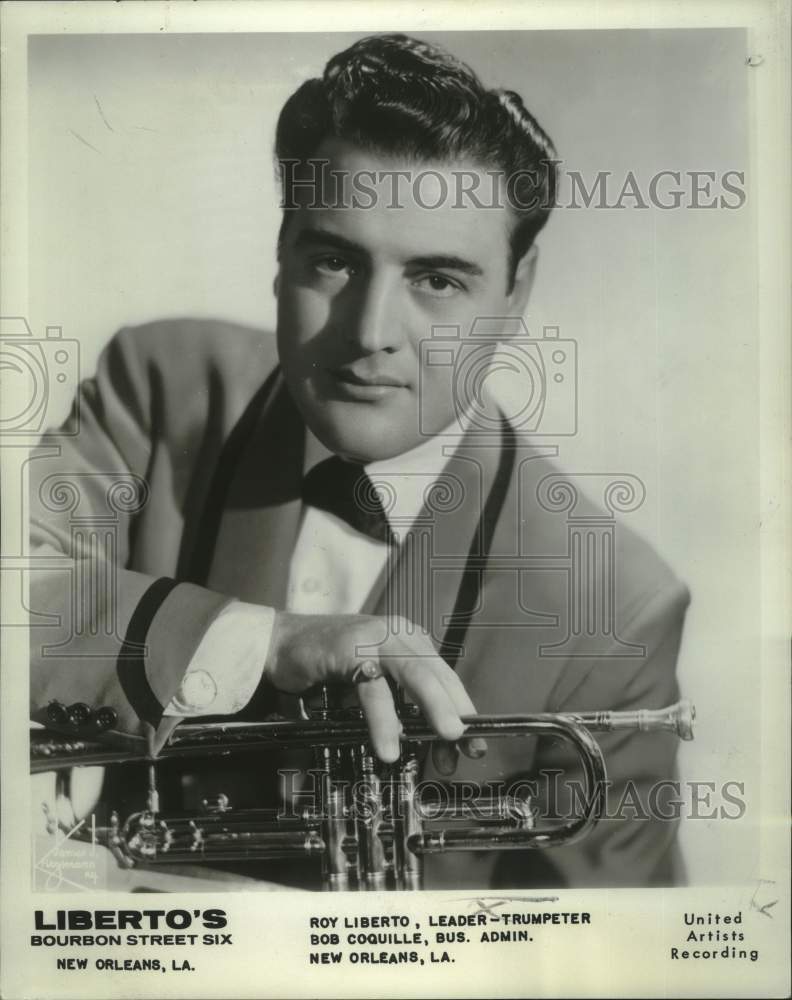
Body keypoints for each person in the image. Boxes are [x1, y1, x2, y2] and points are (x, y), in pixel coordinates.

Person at [28, 33, 690, 888]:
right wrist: (265, 641)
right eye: (334, 260)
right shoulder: (157, 390)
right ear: (281, 251)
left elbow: (616, 955)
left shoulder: (616, 607)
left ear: (517, 289)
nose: (371, 332)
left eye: (438, 280)